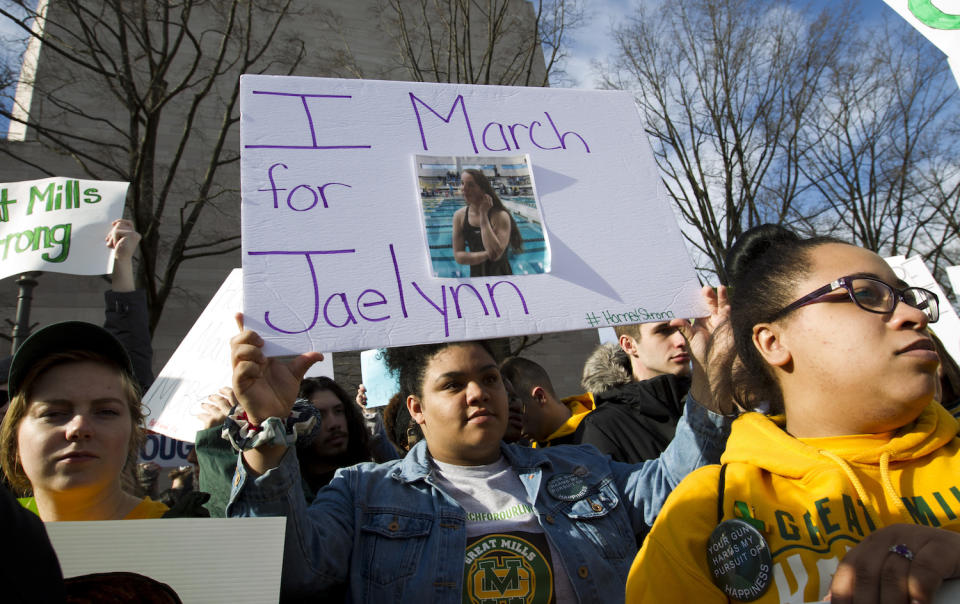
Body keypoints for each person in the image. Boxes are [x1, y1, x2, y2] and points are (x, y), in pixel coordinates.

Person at [225, 288, 731, 602]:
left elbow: (680, 489)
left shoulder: (579, 468)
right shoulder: (362, 493)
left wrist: (712, 374)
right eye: (452, 385)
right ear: (415, 409)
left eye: (489, 377)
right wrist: (268, 429)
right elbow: (290, 575)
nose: (477, 393)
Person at [627, 225, 960, 603]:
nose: (914, 315)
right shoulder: (703, 511)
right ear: (773, 341)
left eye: (909, 298)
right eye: (865, 293)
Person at [0, 321, 169, 520]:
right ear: (13, 436)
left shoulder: (188, 536)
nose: (79, 427)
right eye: (53, 413)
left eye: (106, 411)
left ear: (133, 432)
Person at [195, 376, 375, 517]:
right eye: (320, 415)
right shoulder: (288, 482)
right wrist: (221, 445)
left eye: (338, 411)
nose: (334, 423)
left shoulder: (371, 480)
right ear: (293, 424)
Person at [500, 356, 594, 447]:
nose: (515, 422)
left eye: (518, 408)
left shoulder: (599, 428)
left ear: (540, 397)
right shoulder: (528, 453)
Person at [451, 169, 523, 277]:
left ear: (483, 189)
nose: (464, 189)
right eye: (462, 183)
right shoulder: (459, 216)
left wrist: (483, 215)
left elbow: (496, 256)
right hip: (476, 276)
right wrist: (488, 254)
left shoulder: (500, 216)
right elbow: (458, 256)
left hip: (502, 275)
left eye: (470, 185)